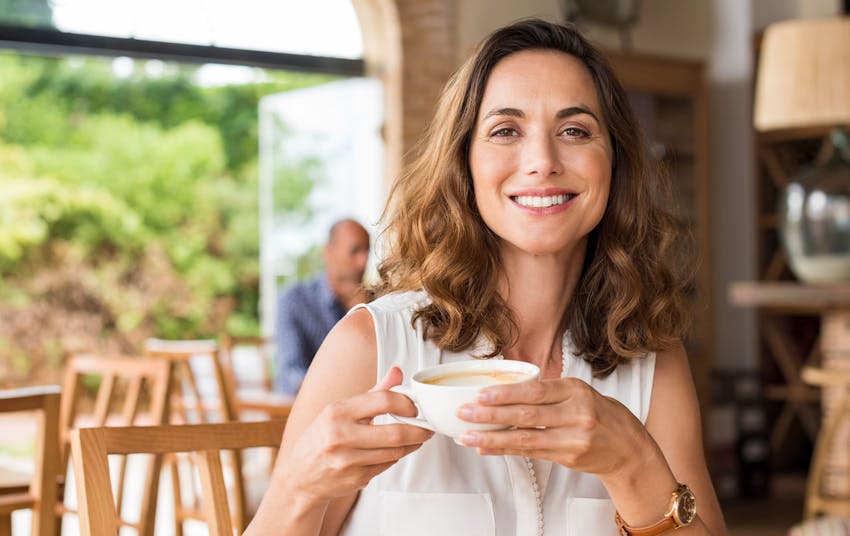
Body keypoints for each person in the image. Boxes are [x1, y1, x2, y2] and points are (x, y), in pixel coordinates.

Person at [248, 18, 727, 536]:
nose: (542, 162)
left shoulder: (651, 361)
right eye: (505, 131)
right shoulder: (371, 345)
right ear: (464, 162)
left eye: (574, 130)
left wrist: (631, 463)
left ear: (614, 161)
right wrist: (299, 488)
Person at [273, 218, 371, 395]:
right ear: (329, 253)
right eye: (355, 251)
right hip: (306, 410)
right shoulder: (294, 301)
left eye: (367, 251)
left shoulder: (376, 304)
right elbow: (291, 372)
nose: (363, 261)